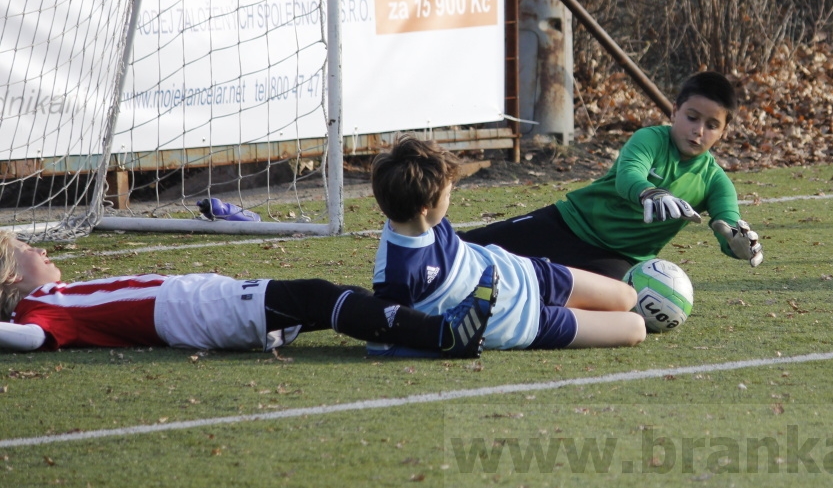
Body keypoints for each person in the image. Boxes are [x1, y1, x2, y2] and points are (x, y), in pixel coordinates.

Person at [0, 228, 496, 357]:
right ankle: (443, 336)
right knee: (320, 298)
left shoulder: (58, 295)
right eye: (25, 249)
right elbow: (24, 340)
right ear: (11, 279)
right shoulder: (41, 313)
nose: (39, 250)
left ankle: (426, 333)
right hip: (194, 313)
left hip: (199, 303)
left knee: (327, 299)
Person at [460, 71, 763, 279]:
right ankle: (417, 255)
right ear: (674, 112)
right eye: (692, 118)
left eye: (712, 125)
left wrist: (736, 243)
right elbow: (628, 176)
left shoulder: (716, 181)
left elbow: (728, 222)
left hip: (619, 260)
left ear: (724, 132)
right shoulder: (650, 139)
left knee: (603, 300)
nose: (699, 130)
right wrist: (649, 192)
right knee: (468, 248)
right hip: (568, 223)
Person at [368, 135, 645, 354]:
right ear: (426, 207)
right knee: (636, 328)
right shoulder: (397, 272)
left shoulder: (415, 213)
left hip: (529, 273)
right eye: (448, 194)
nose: (450, 198)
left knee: (628, 297)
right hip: (527, 322)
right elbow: (390, 334)